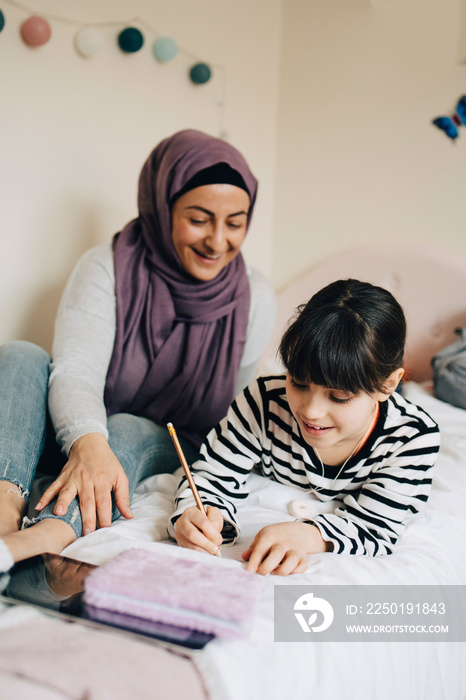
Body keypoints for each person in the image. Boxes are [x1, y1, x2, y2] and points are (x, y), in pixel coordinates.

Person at [0, 129, 276, 573]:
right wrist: (88, 443)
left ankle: (44, 535)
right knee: (19, 355)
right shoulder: (105, 265)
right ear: (162, 206)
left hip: (166, 442)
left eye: (235, 222)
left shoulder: (255, 297)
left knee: (126, 425)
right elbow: (75, 373)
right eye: (200, 218)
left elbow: (239, 413)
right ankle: (3, 510)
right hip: (79, 432)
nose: (219, 241)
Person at [169, 278, 440, 576]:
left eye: (339, 397)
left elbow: (376, 526)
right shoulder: (262, 401)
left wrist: (308, 535)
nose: (311, 411)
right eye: (298, 383)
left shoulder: (412, 438)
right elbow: (213, 476)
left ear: (388, 385)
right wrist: (197, 513)